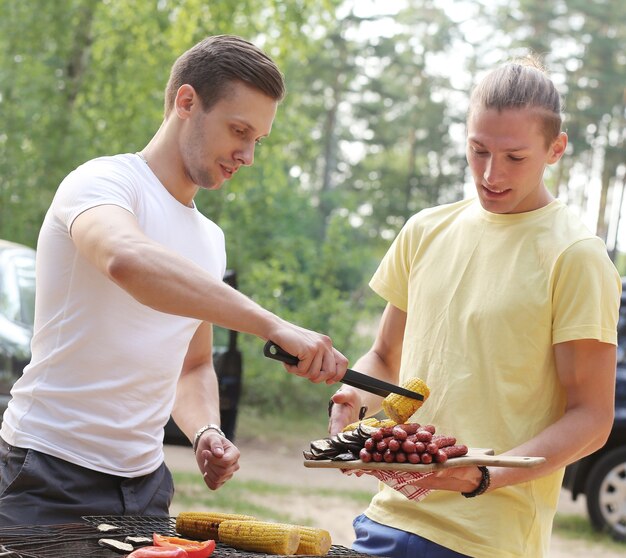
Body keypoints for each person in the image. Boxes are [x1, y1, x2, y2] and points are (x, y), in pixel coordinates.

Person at [0, 35, 348, 526]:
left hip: (145, 488)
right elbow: (127, 259)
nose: (247, 155)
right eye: (238, 130)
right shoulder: (102, 183)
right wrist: (272, 324)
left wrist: (205, 429)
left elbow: (192, 365)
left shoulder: (209, 239)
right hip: (48, 472)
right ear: (187, 102)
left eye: (257, 140)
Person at [329, 57, 621, 558]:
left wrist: (481, 477)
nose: (491, 174)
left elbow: (592, 418)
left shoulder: (576, 255)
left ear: (556, 149)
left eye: (514, 157)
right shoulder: (425, 231)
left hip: (485, 541)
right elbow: (383, 358)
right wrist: (348, 405)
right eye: (478, 150)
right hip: (387, 516)